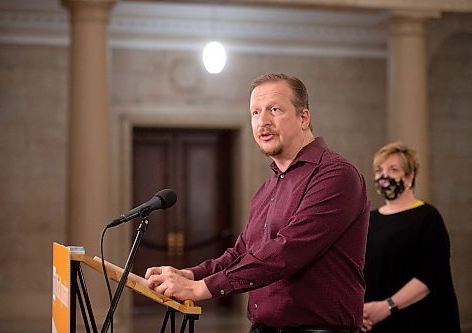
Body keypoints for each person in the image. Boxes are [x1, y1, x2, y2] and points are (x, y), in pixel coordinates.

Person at [146, 73, 370, 333]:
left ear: (303, 118)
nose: (263, 121)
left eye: (274, 110)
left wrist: (203, 288)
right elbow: (241, 253)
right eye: (255, 112)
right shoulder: (268, 188)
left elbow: (288, 250)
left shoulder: (335, 174)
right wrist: (191, 274)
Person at [362, 142, 460, 332]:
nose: (383, 176)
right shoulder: (368, 219)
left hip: (416, 320)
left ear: (410, 176)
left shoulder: (427, 217)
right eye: (379, 170)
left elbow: (431, 275)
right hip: (373, 323)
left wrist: (387, 306)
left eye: (393, 169)